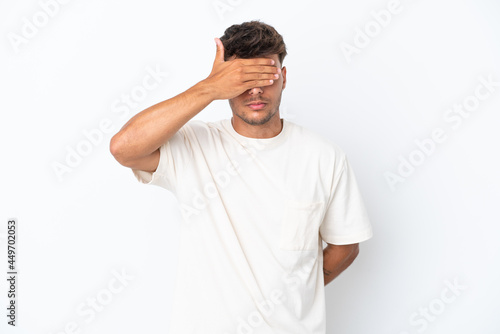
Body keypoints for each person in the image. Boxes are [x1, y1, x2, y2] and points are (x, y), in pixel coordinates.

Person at [110, 20, 373, 334]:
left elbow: (346, 245)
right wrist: (208, 88)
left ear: (284, 78)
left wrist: (296, 291)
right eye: (242, 79)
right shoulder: (194, 146)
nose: (256, 90)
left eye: (266, 76)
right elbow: (124, 148)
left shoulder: (324, 156)